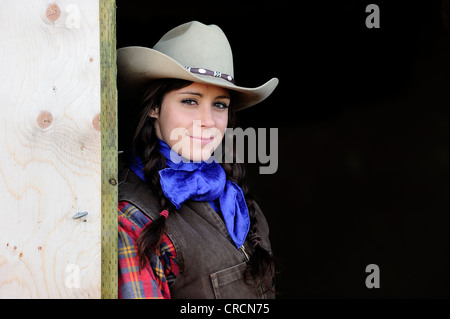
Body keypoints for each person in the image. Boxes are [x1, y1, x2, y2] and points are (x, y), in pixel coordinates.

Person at [116, 21, 279, 299]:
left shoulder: (239, 203)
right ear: (154, 106)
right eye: (190, 101)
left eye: (219, 104)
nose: (207, 121)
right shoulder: (133, 218)